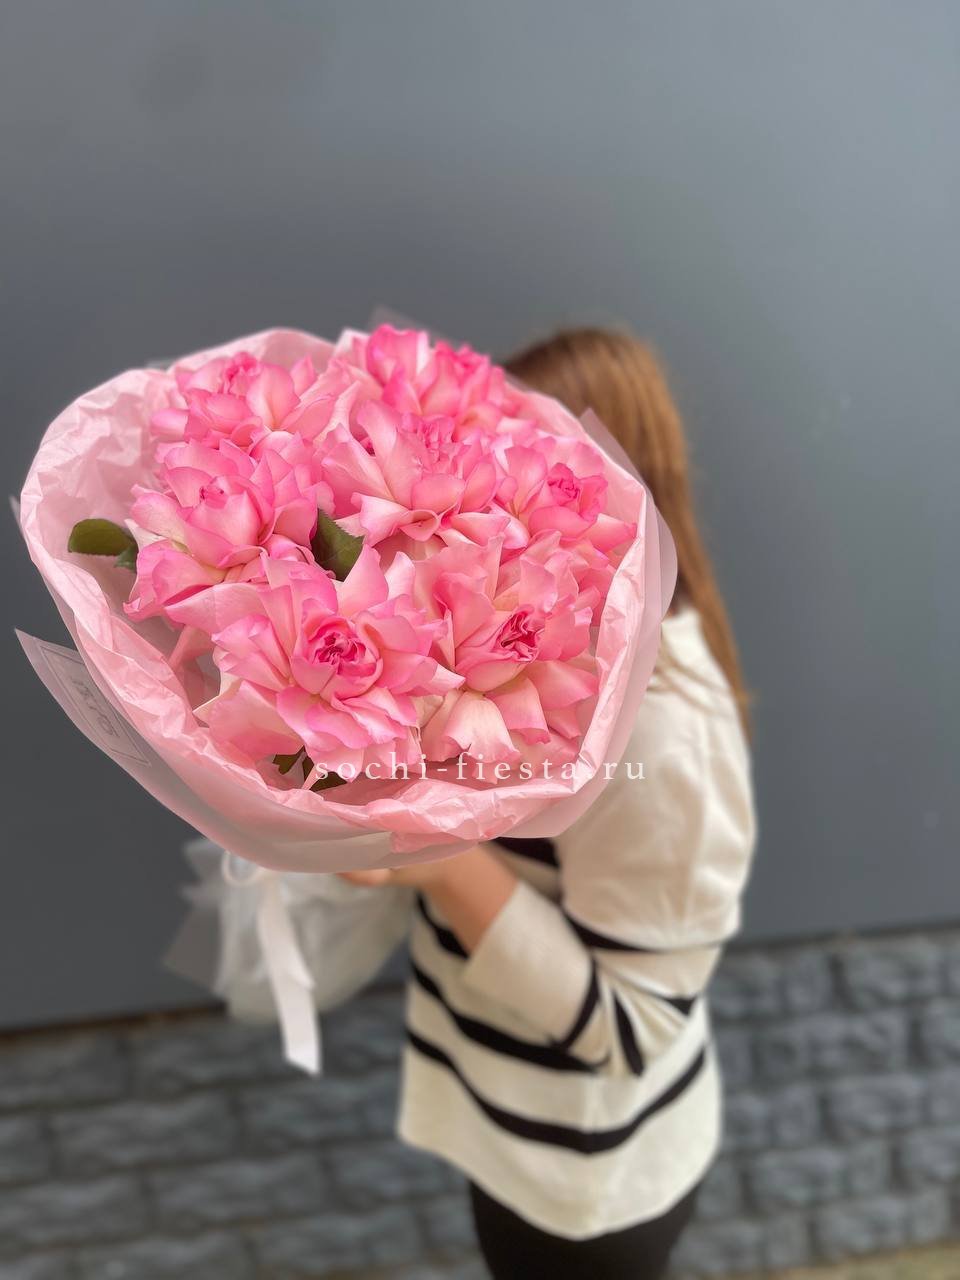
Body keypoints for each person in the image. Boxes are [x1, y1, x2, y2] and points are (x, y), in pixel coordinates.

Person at [338, 326, 757, 1279]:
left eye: (517, 473)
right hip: (509, 1118)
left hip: (584, 1182)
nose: (478, 499)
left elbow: (633, 1022)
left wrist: (440, 860)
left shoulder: (661, 725)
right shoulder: (515, 636)